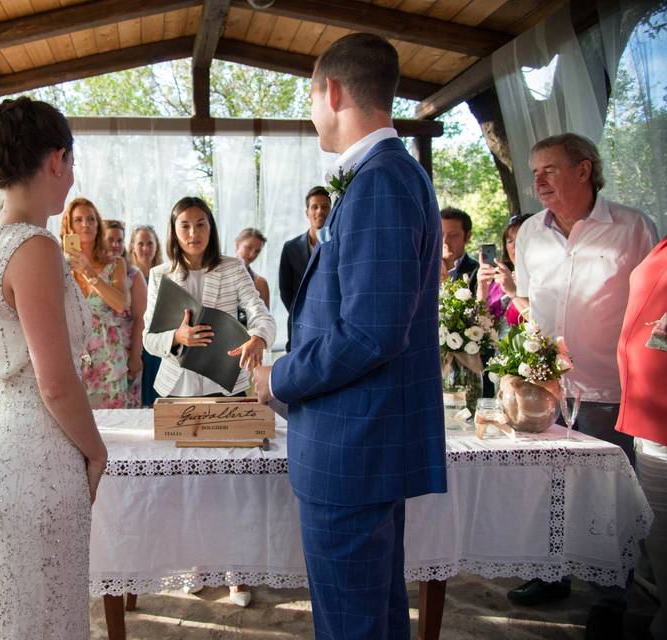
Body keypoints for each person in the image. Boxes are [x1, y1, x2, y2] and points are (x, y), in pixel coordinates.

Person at [251, 33, 447, 639]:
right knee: (372, 616)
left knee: (352, 626)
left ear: (331, 91)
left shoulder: (380, 181)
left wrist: (277, 375)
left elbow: (370, 331)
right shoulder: (380, 175)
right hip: (361, 442)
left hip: (353, 449)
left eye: (310, 96)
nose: (311, 112)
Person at [0, 96, 107, 639]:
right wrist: (96, 451)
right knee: (46, 618)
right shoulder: (34, 247)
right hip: (37, 461)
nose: (72, 178)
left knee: (15, 618)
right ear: (56, 160)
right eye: (71, 164)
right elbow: (54, 381)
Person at [506, 133, 657, 631]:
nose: (538, 180)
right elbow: (526, 302)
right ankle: (552, 574)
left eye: (549, 169)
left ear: (584, 170)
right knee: (548, 490)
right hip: (546, 390)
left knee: (605, 498)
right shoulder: (529, 232)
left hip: (609, 389)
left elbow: (653, 308)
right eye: (534, 171)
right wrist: (526, 364)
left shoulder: (633, 228)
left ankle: (610, 598)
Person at [143, 196, 276, 608]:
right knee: (190, 486)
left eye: (200, 225)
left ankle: (236, 571)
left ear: (210, 227)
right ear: (174, 229)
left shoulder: (233, 268)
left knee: (230, 483)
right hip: (179, 389)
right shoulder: (159, 273)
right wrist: (177, 339)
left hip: (225, 385)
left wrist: (259, 337)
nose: (193, 233)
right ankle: (197, 564)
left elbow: (260, 312)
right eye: (185, 226)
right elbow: (149, 339)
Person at [616, 236, 667, 640]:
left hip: (662, 420)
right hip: (648, 418)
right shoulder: (661, 243)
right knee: (655, 530)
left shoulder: (636, 228)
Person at [60, 198, 129, 409]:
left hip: (109, 356)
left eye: (91, 219)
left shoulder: (115, 263)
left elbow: (121, 304)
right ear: (68, 227)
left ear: (98, 224)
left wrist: (89, 273)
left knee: (117, 425)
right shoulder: (58, 265)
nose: (85, 224)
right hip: (74, 354)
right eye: (78, 220)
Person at [279, 186, 331, 351]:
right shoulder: (290, 247)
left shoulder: (340, 244)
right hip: (299, 327)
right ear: (307, 212)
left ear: (331, 210)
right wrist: (301, 312)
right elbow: (285, 289)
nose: (319, 211)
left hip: (331, 326)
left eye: (325, 206)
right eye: (314, 206)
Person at [105, 219, 147, 407]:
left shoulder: (133, 275)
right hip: (96, 353)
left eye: (120, 240)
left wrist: (135, 357)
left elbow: (140, 319)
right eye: (110, 239)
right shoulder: (90, 272)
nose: (115, 245)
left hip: (126, 352)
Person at [475, 214, 532, 328]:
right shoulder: (499, 281)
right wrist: (483, 288)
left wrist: (513, 292)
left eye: (521, 238)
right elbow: (481, 326)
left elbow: (544, 323)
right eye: (510, 241)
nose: (515, 246)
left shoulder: (546, 277)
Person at [128, 224, 163, 407]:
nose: (145, 248)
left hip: (161, 348)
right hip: (136, 345)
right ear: (132, 246)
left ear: (157, 246)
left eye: (150, 243)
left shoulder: (166, 275)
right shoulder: (127, 276)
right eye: (140, 243)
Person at [234, 227, 270, 328]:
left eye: (257, 251)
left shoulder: (260, 283)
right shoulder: (218, 275)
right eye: (248, 248)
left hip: (249, 339)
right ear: (237, 245)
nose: (252, 255)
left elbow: (265, 324)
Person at [440, 206, 478, 289]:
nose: (445, 241)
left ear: (467, 236)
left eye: (453, 235)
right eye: (440, 234)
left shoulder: (477, 272)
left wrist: (446, 284)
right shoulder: (423, 267)